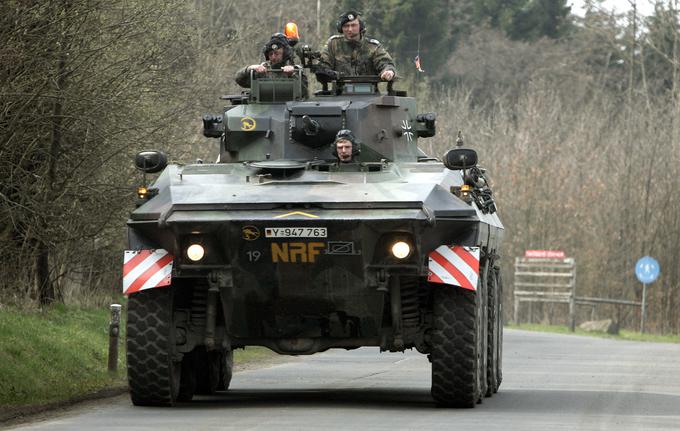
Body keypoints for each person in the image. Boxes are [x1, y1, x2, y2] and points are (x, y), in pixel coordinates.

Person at [318, 10, 396, 81]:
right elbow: (323, 65)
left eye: (353, 25)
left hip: (369, 92)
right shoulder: (333, 44)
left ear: (360, 26)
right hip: (340, 92)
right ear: (341, 28)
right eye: (346, 26)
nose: (350, 29)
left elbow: (385, 63)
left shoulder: (372, 46)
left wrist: (388, 71)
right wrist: (328, 72)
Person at [235, 35, 308, 96]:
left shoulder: (295, 70)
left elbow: (304, 93)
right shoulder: (262, 70)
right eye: (270, 54)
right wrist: (250, 68)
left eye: (277, 54)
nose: (273, 57)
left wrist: (292, 74)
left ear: (284, 54)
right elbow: (239, 80)